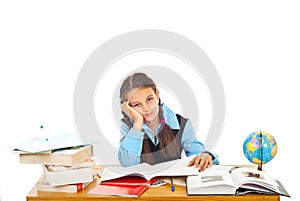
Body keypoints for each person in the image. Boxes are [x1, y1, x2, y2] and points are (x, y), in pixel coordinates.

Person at [118, 72, 219, 171]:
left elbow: (197, 156)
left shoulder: (180, 124)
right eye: (137, 104)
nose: (146, 108)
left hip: (172, 186)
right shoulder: (130, 126)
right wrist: (137, 124)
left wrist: (206, 156)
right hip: (145, 185)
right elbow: (128, 163)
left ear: (157, 95)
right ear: (128, 107)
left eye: (149, 99)